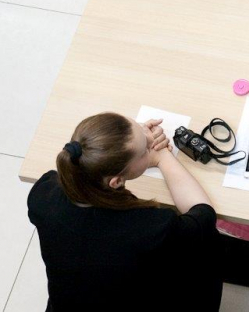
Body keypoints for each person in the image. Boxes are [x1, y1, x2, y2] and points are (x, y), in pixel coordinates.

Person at [27, 113, 223, 311]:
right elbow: (204, 215)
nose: (150, 141)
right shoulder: (150, 228)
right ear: (117, 181)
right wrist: (162, 155)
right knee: (209, 244)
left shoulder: (43, 193)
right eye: (145, 149)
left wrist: (131, 141)